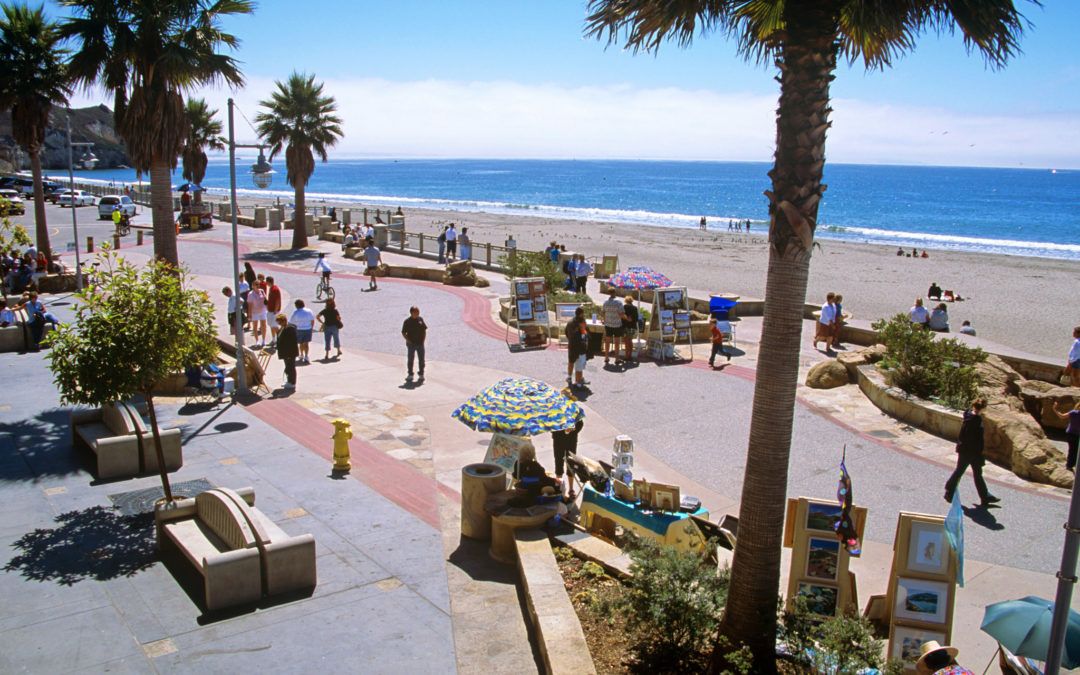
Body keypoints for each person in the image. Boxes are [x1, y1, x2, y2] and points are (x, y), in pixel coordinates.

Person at [943, 398, 999, 506]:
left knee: (973, 473)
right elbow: (976, 439)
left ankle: (985, 496)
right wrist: (979, 452)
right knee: (962, 471)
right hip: (972, 452)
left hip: (965, 449)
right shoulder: (976, 420)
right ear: (982, 408)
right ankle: (949, 490)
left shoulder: (968, 415)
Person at [553, 417, 584, 499]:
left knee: (571, 464)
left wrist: (573, 429)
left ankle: (571, 489)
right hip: (558, 440)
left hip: (571, 440)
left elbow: (580, 423)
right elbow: (550, 426)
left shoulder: (573, 410)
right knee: (558, 462)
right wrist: (562, 430)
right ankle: (558, 488)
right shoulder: (555, 411)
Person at [401, 305, 428, 381]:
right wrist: (408, 340)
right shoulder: (407, 321)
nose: (418, 313)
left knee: (421, 359)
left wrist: (423, 339)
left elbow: (424, 329)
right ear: (411, 313)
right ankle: (410, 374)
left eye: (418, 312)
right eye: (416, 312)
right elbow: (403, 332)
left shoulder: (420, 319)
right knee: (410, 359)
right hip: (411, 344)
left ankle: (421, 373)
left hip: (420, 343)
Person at [1053, 400, 1080, 472]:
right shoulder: (1073, 413)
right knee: (1075, 451)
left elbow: (1062, 416)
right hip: (1077, 435)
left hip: (1070, 434)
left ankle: (1069, 465)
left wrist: (1055, 409)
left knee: (1072, 450)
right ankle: (1072, 465)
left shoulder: (1073, 413)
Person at [566, 306, 589, 389]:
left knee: (571, 362)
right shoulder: (580, 324)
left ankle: (569, 377)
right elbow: (584, 336)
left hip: (571, 346)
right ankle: (579, 382)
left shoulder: (570, 322)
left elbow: (566, 333)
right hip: (579, 348)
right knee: (579, 366)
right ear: (581, 314)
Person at [275, 313, 298, 390]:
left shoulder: (290, 328)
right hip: (285, 352)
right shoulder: (282, 328)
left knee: (291, 367)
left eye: (280, 322)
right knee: (287, 367)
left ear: (284, 321)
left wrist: (288, 353)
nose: (279, 324)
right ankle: (289, 381)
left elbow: (291, 342)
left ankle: (292, 382)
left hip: (289, 352)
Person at [289, 299, 316, 364]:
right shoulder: (309, 311)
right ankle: (306, 356)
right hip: (307, 329)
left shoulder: (295, 312)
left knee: (300, 343)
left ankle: (301, 354)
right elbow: (312, 320)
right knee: (306, 343)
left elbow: (291, 322)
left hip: (299, 329)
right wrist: (311, 328)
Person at [601, 290, 624, 365]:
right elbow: (621, 314)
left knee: (607, 342)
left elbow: (603, 312)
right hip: (617, 325)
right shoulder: (619, 302)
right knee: (617, 342)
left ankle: (606, 357)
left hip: (608, 324)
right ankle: (617, 359)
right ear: (615, 293)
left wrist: (604, 320)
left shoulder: (605, 302)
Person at [246, 283, 268, 348]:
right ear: (253, 286)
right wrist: (249, 315)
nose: (258, 286)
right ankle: (257, 341)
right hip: (254, 312)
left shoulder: (262, 291)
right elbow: (249, 305)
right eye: (256, 285)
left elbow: (266, 299)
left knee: (263, 325)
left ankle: (263, 340)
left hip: (263, 311)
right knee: (255, 326)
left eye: (258, 285)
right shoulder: (250, 294)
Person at [265, 276, 282, 346]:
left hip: (274, 311)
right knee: (272, 326)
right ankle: (274, 340)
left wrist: (275, 310)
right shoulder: (271, 289)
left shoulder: (275, 289)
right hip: (270, 310)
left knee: (275, 326)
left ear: (268, 282)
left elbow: (277, 300)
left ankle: (279, 340)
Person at [622, 295, 639, 363]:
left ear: (626, 301)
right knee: (630, 341)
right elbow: (636, 319)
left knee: (626, 341)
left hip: (626, 326)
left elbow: (622, 316)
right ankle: (630, 355)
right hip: (632, 327)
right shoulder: (635, 308)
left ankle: (626, 356)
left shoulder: (625, 307)